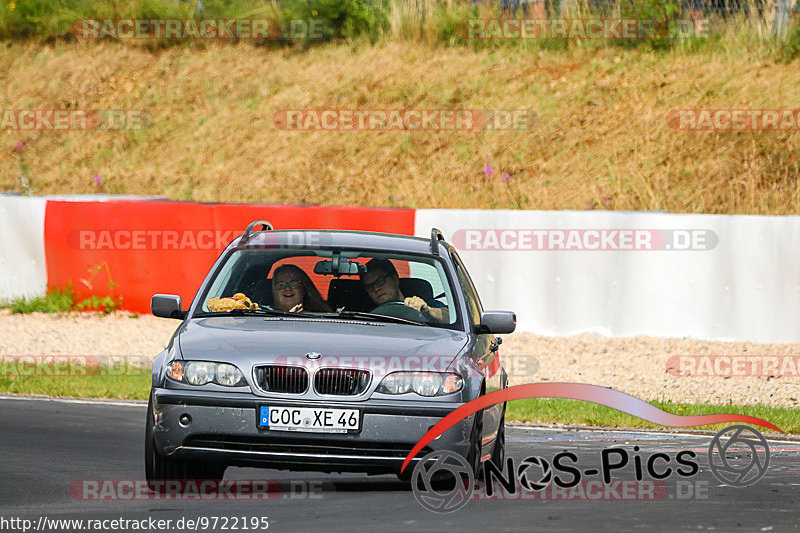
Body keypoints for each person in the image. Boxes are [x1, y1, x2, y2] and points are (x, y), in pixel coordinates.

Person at [359, 258, 449, 324]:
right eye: (369, 286)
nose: (376, 288)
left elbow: (451, 318)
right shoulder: (362, 316)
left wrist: (427, 311)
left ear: (395, 279)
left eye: (380, 281)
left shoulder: (425, 305)